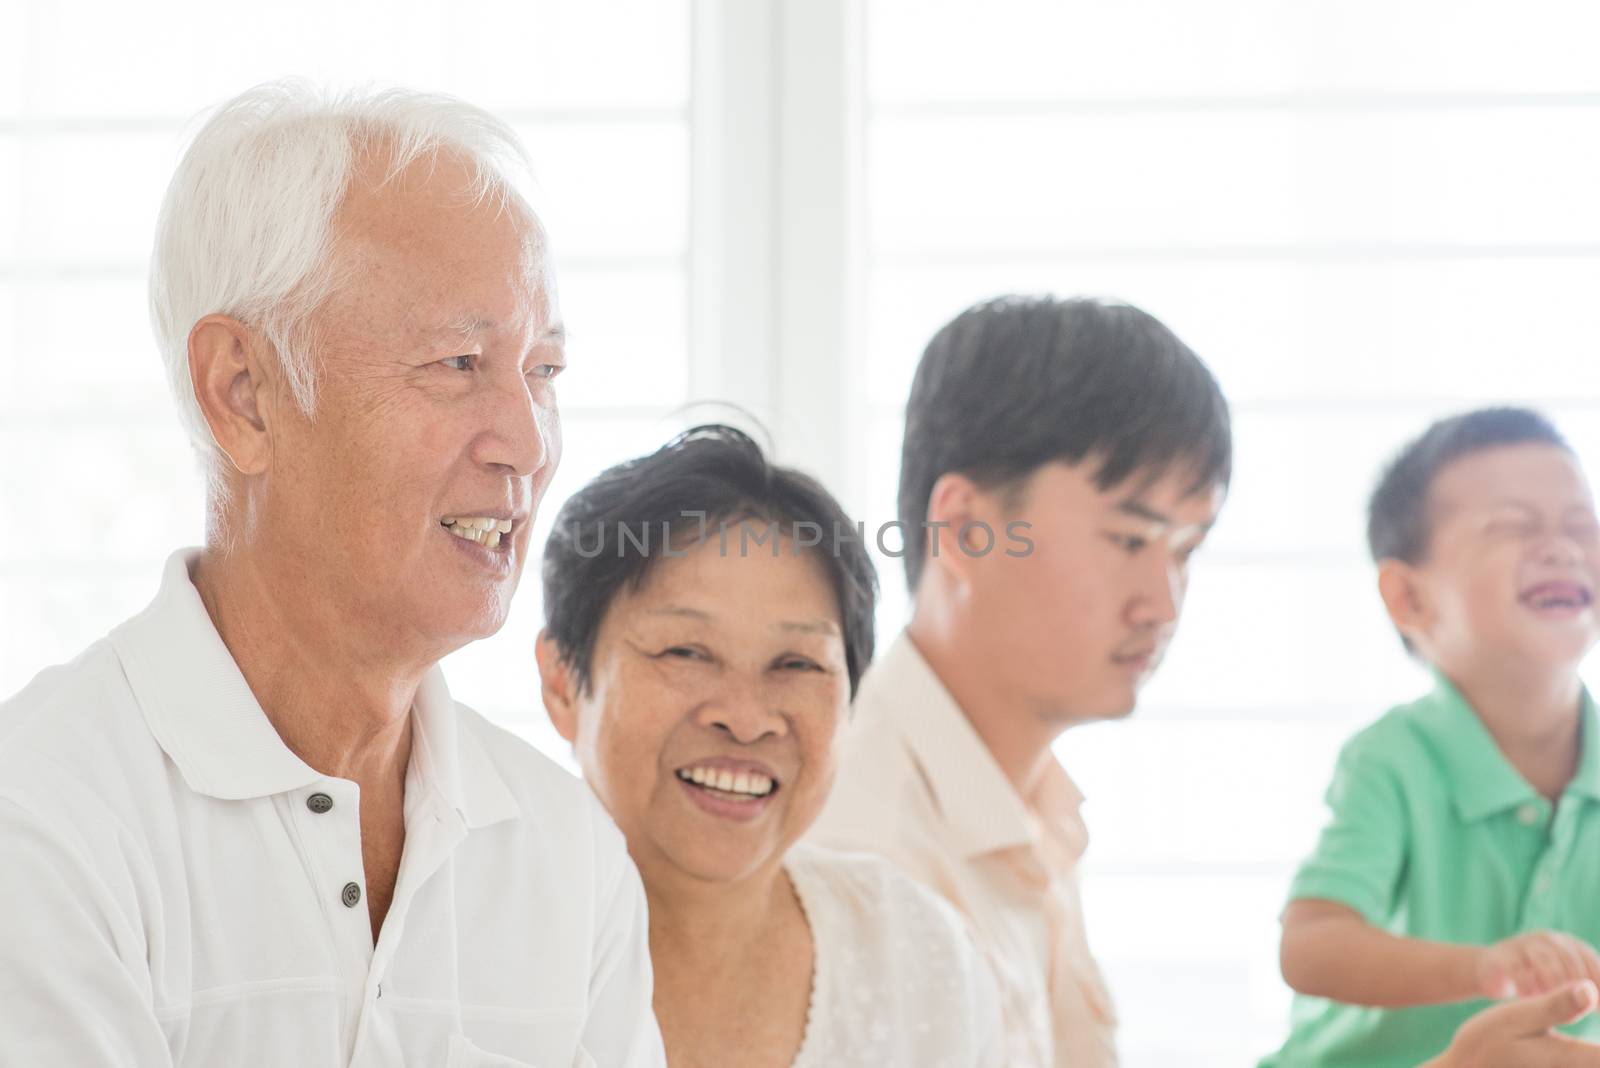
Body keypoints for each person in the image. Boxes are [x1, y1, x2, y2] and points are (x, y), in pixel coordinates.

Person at [0, 82, 663, 1067]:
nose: (528, 442)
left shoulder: (568, 856)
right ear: (244, 395)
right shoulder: (43, 820)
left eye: (544, 372)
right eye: (457, 361)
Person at [807, 295, 1600, 1068]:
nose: (1164, 602)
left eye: (1185, 551)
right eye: (1129, 538)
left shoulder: (1029, 807)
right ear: (968, 530)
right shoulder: (854, 849)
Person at [535, 425, 1004, 1068]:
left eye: (797, 663)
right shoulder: (466, 946)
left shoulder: (917, 952)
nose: (747, 719)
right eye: (687, 652)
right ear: (562, 682)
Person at [1263, 408, 1600, 1067]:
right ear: (1409, 599)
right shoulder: (1392, 759)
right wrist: (1482, 969)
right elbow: (1307, 947)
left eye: (1582, 525)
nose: (1562, 547)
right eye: (1512, 527)